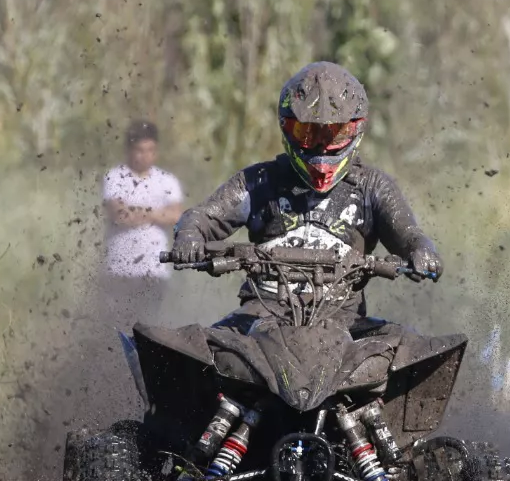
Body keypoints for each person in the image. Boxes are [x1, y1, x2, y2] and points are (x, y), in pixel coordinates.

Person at [169, 61, 442, 336]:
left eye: (335, 134)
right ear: (287, 127)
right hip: (261, 313)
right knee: (193, 347)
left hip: (345, 321)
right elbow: (201, 217)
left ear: (356, 129)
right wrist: (189, 236)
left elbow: (409, 235)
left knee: (411, 347)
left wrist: (422, 252)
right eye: (307, 133)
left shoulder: (373, 186)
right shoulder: (259, 181)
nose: (321, 147)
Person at [99, 119, 185, 326]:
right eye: (139, 150)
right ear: (129, 149)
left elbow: (176, 216)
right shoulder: (115, 177)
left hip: (154, 269)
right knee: (117, 326)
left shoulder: (167, 180)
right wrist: (157, 214)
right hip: (120, 269)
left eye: (150, 150)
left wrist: (138, 211)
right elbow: (120, 215)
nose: (145, 155)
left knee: (148, 327)